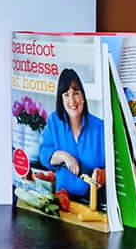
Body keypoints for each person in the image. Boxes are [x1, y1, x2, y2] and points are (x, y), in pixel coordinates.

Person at [36, 66, 106, 206]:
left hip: (94, 204)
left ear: (83, 97)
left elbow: (115, 166)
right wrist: (64, 156)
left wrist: (104, 174)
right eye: (66, 95)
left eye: (76, 93)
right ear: (61, 99)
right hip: (62, 200)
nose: (72, 101)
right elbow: (43, 155)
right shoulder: (54, 122)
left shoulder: (100, 127)